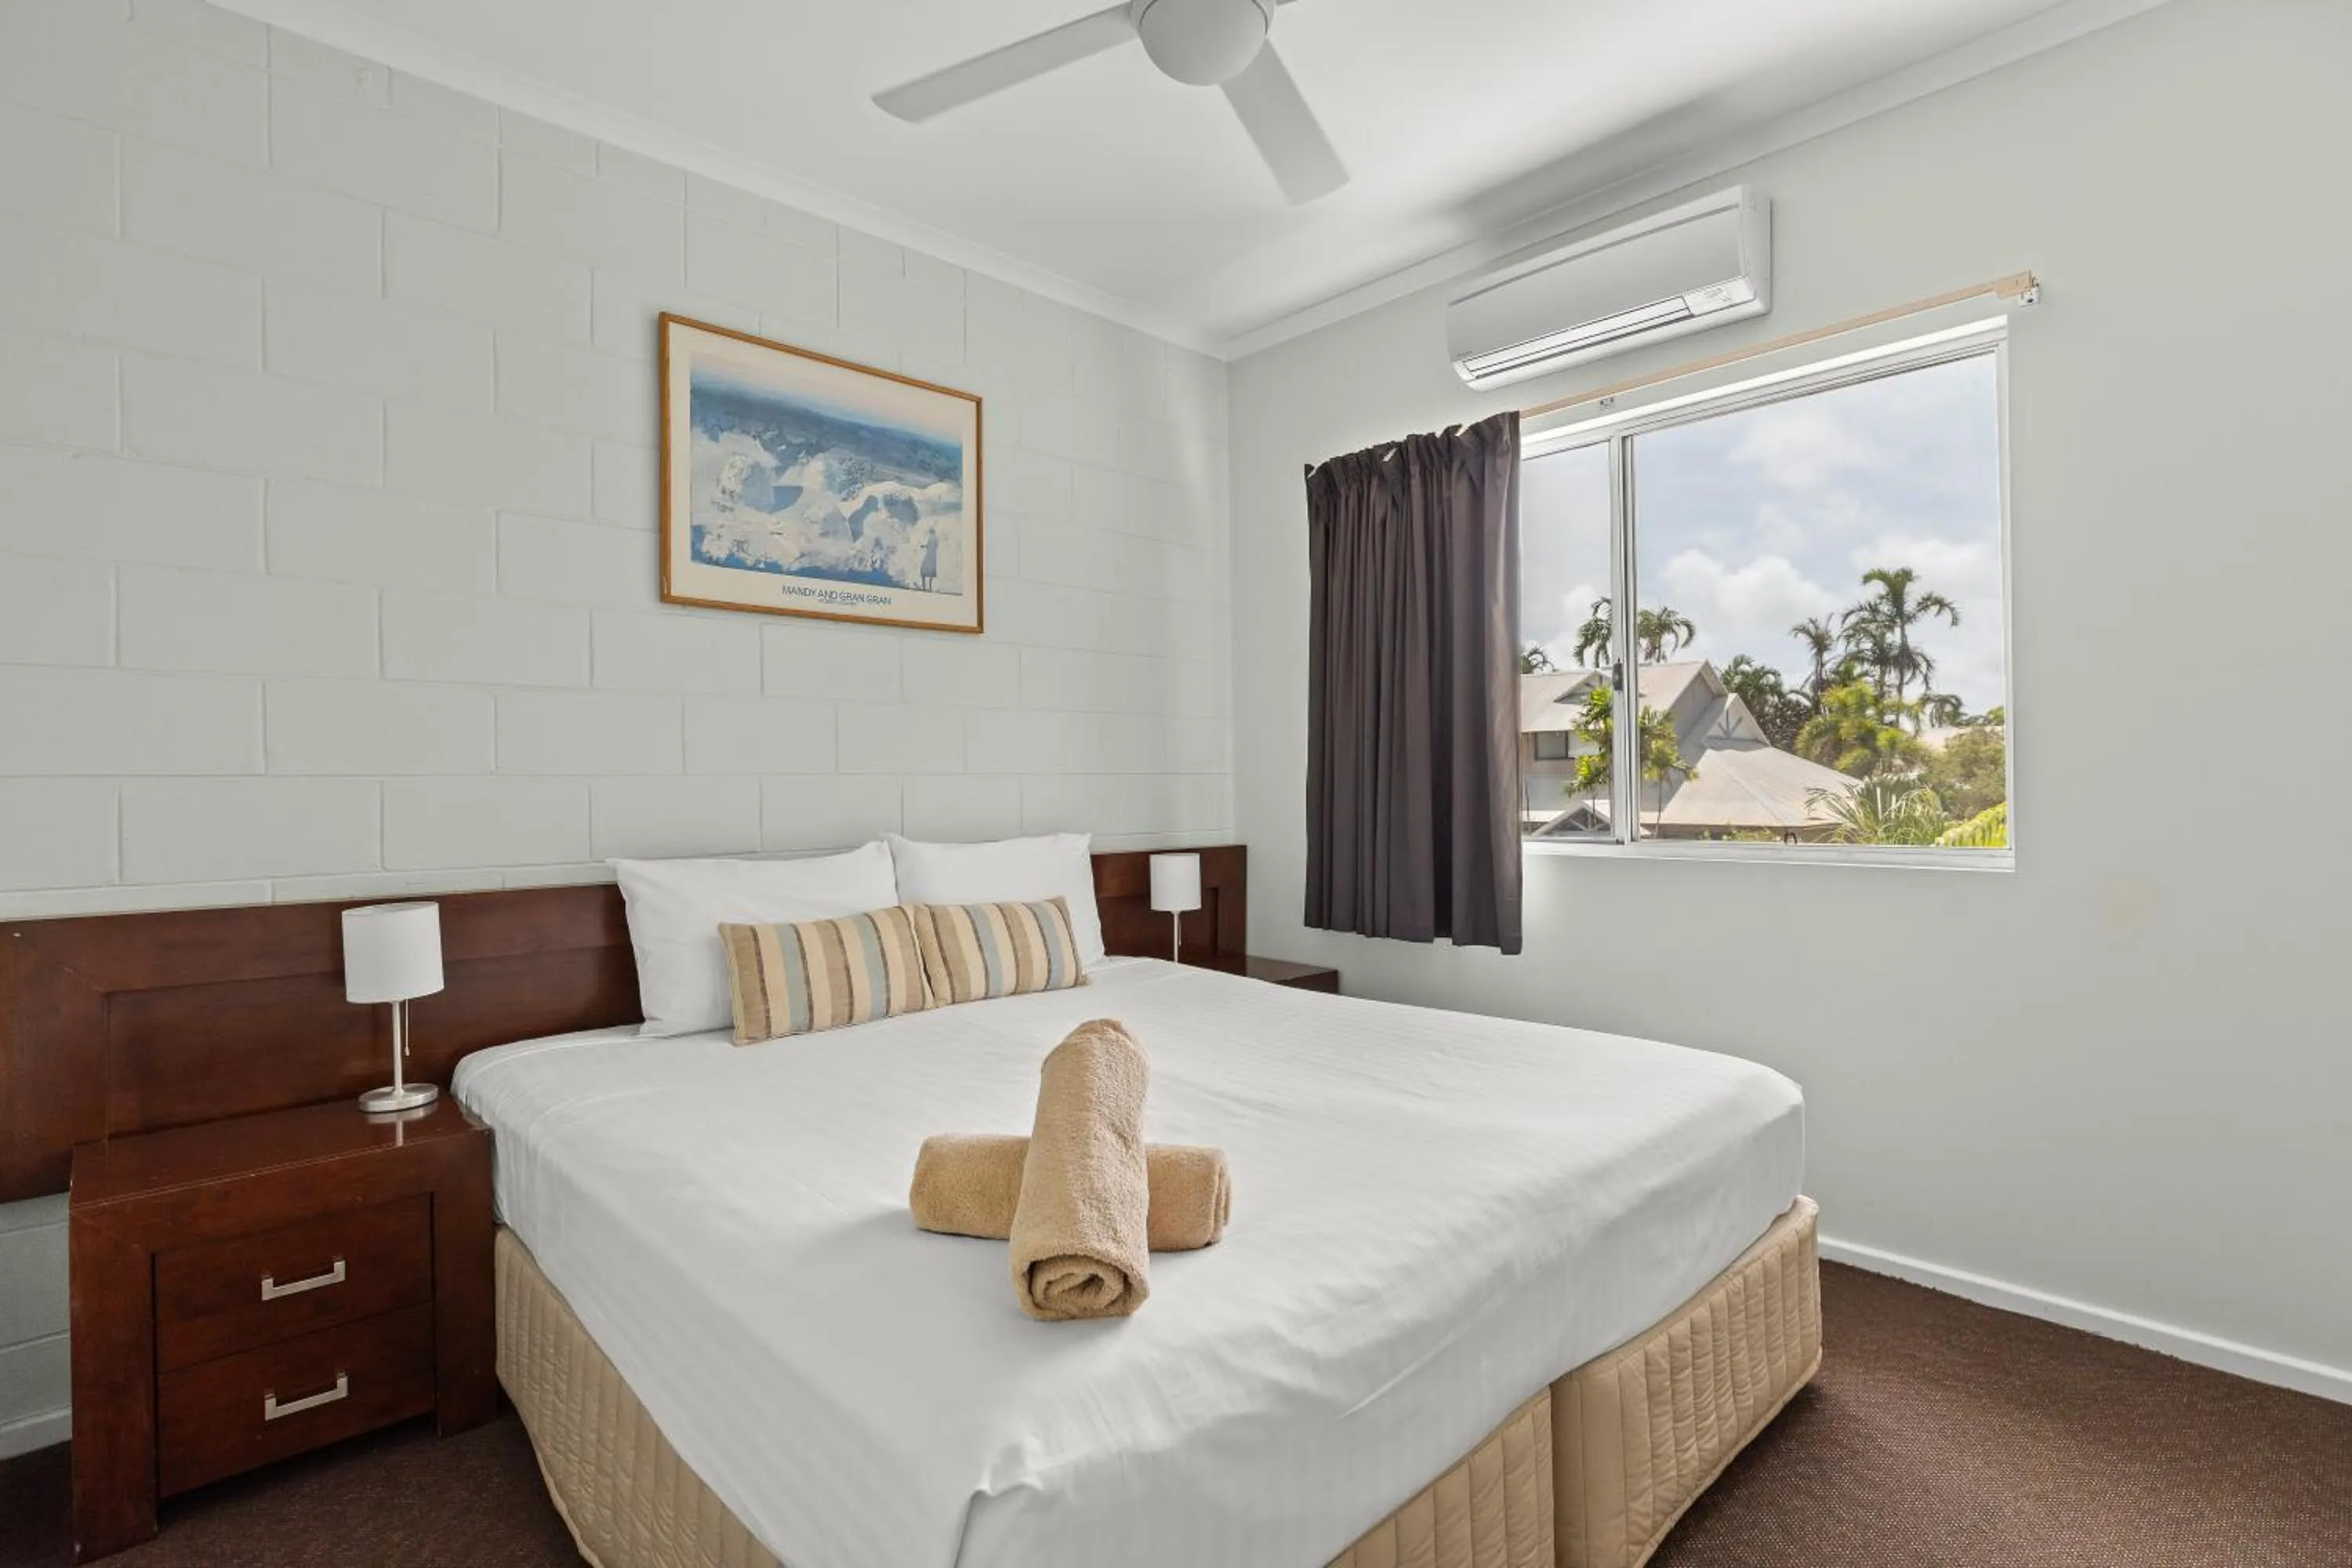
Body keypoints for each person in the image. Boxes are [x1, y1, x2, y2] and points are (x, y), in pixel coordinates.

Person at [919, 528, 939, 593]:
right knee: (931, 572)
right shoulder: (936, 539)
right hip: (933, 557)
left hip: (929, 556)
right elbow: (936, 546)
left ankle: (924, 587)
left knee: (923, 569)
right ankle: (930, 588)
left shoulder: (931, 538)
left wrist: (923, 546)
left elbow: (929, 546)